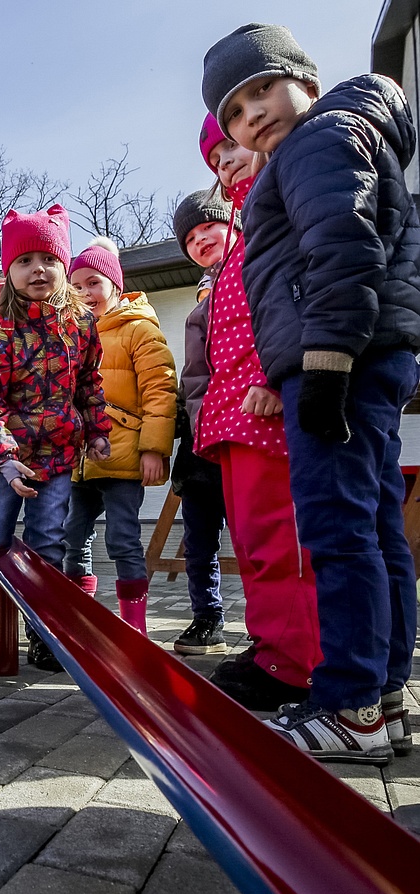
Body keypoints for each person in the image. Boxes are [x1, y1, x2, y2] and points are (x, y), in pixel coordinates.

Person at [204, 24, 420, 763]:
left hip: (338, 361)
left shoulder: (318, 141)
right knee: (376, 524)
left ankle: (348, 701)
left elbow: (342, 244)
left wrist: (324, 365)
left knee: (337, 529)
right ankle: (385, 692)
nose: (251, 115)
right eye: (233, 110)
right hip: (367, 355)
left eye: (263, 88)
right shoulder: (334, 137)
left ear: (307, 80)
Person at [180, 107, 322, 711]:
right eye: (214, 159)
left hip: (264, 403)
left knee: (280, 538)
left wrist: (271, 375)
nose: (226, 161)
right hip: (230, 413)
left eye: (230, 147)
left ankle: (296, 661)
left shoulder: (279, 205)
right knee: (253, 538)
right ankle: (272, 647)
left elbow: (292, 300)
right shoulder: (246, 225)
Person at [0, 206, 110, 669]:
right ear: (9, 269)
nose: (38, 269)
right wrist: (3, 456)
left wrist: (97, 429)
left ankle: (45, 632)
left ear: (64, 266)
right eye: (25, 260)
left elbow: (89, 383)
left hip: (56, 453)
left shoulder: (81, 324)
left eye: (49, 259)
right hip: (3, 455)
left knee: (48, 541)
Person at [64, 238, 176, 634]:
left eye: (93, 283)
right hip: (77, 459)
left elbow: (160, 391)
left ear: (114, 284)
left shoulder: (139, 330)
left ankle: (135, 625)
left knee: (122, 539)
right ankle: (79, 620)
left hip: (124, 453)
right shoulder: (69, 336)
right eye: (75, 286)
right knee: (72, 536)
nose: (84, 293)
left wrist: (154, 449)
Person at [169, 186, 240, 655]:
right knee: (199, 542)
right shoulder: (198, 325)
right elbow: (186, 391)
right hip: (199, 454)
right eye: (189, 237)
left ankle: (266, 624)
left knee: (255, 537)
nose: (200, 240)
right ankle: (206, 615)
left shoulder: (250, 284)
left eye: (208, 228)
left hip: (242, 439)